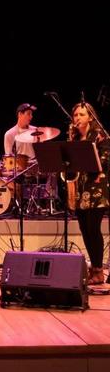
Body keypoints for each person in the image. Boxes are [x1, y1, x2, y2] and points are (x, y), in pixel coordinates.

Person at [68, 101, 110, 285]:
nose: (78, 118)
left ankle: (99, 270)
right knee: (85, 230)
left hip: (96, 189)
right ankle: (93, 268)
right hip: (80, 189)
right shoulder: (75, 138)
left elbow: (105, 161)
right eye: (76, 115)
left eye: (82, 114)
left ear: (91, 117)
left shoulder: (100, 136)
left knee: (94, 229)